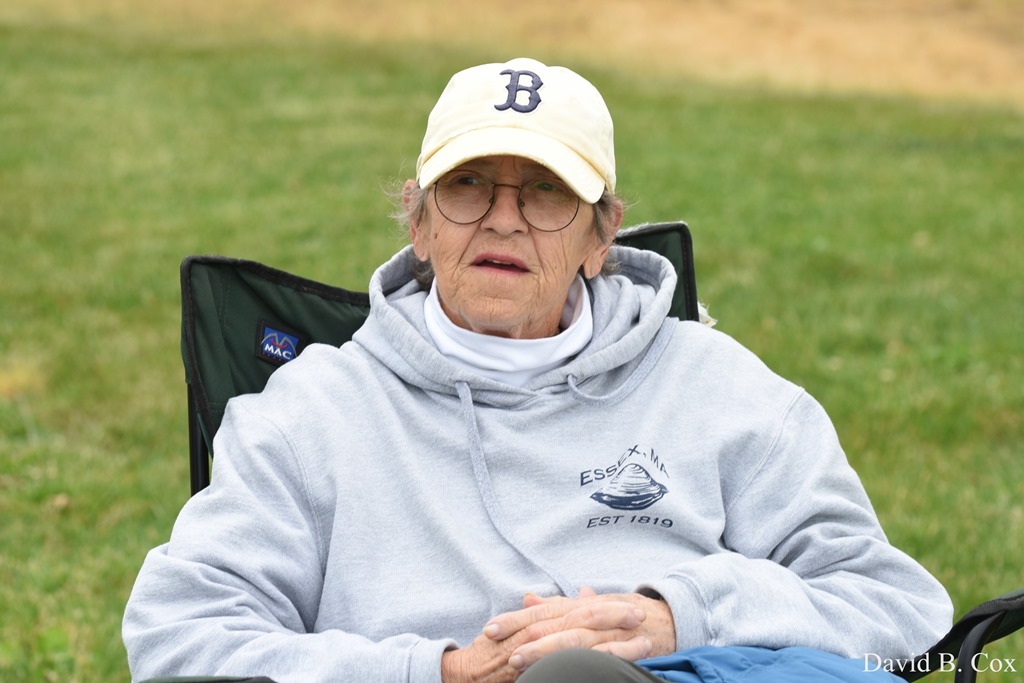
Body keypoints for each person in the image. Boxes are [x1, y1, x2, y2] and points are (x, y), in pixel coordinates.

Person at [123, 57, 953, 683]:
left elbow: (900, 610)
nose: (503, 221)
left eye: (547, 193)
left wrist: (683, 617)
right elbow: (179, 633)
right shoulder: (309, 414)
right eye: (468, 185)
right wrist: (434, 670)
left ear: (602, 235)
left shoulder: (719, 390)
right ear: (419, 222)